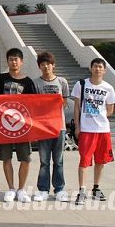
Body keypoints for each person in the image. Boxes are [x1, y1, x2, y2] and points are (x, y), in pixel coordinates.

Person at [0, 48, 37, 203]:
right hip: (4, 125)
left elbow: (34, 104)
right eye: (11, 59)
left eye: (16, 59)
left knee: (25, 158)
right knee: (6, 157)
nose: (13, 62)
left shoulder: (28, 82)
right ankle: (11, 188)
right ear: (7, 61)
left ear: (21, 61)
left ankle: (21, 189)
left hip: (23, 126)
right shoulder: (0, 79)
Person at [72, 58, 115, 205]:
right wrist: (77, 126)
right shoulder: (81, 84)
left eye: (100, 67)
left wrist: (98, 115)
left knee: (101, 160)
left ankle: (96, 188)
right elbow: (77, 107)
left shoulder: (108, 88)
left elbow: (110, 110)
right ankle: (82, 190)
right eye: (95, 66)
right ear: (91, 68)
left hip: (103, 130)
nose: (97, 69)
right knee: (84, 160)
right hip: (86, 130)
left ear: (104, 70)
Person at [32, 51, 70, 202]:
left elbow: (65, 102)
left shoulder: (62, 82)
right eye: (42, 64)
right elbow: (33, 104)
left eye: (48, 64)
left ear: (53, 65)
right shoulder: (36, 83)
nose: (46, 66)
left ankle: (59, 189)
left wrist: (55, 104)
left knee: (58, 160)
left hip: (59, 126)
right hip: (43, 127)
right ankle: (43, 189)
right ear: (39, 66)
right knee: (44, 161)